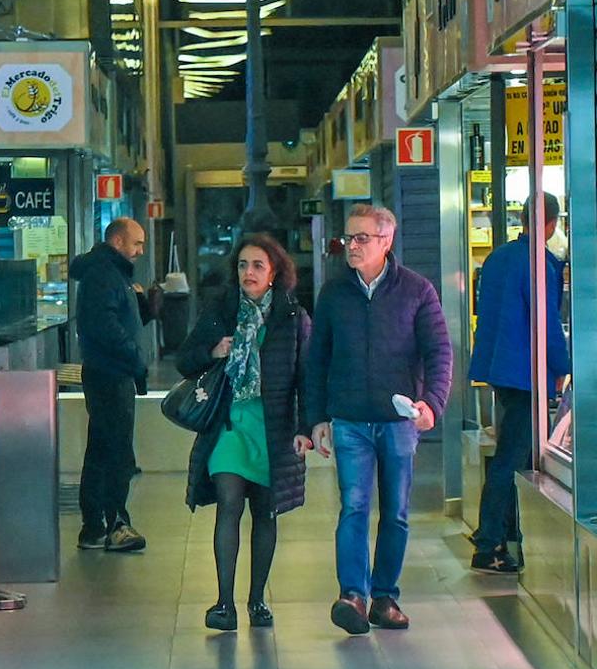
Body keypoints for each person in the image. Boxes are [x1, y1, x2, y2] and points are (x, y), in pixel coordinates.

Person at [307, 203, 452, 634]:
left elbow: (439, 352)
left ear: (386, 242)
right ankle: (352, 594)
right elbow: (317, 360)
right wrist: (315, 419)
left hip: (398, 422)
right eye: (348, 238)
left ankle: (385, 597)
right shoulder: (334, 294)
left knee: (397, 512)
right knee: (353, 506)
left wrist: (433, 403)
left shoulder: (417, 290)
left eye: (361, 238)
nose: (351, 246)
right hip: (350, 419)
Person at [177, 234, 312, 631]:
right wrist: (212, 351)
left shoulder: (293, 318)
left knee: (265, 513)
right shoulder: (220, 311)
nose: (248, 273)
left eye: (257, 266)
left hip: (273, 429)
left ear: (274, 273)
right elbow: (185, 359)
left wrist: (306, 427)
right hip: (229, 426)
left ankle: (256, 601)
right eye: (242, 265)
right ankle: (224, 603)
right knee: (229, 503)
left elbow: (307, 377)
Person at [468, 194, 570, 573]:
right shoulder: (539, 265)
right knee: (510, 459)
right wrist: (561, 367)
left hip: (500, 371)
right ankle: (489, 544)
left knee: (513, 453)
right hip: (526, 374)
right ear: (552, 223)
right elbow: (546, 326)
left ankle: (507, 533)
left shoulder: (498, 258)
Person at [71, 217, 151, 552]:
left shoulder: (110, 274)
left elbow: (118, 318)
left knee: (103, 447)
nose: (140, 251)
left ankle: (96, 525)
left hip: (110, 370)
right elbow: (104, 325)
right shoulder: (104, 275)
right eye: (137, 244)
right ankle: (114, 521)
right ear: (118, 242)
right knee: (115, 450)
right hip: (110, 372)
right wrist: (133, 355)